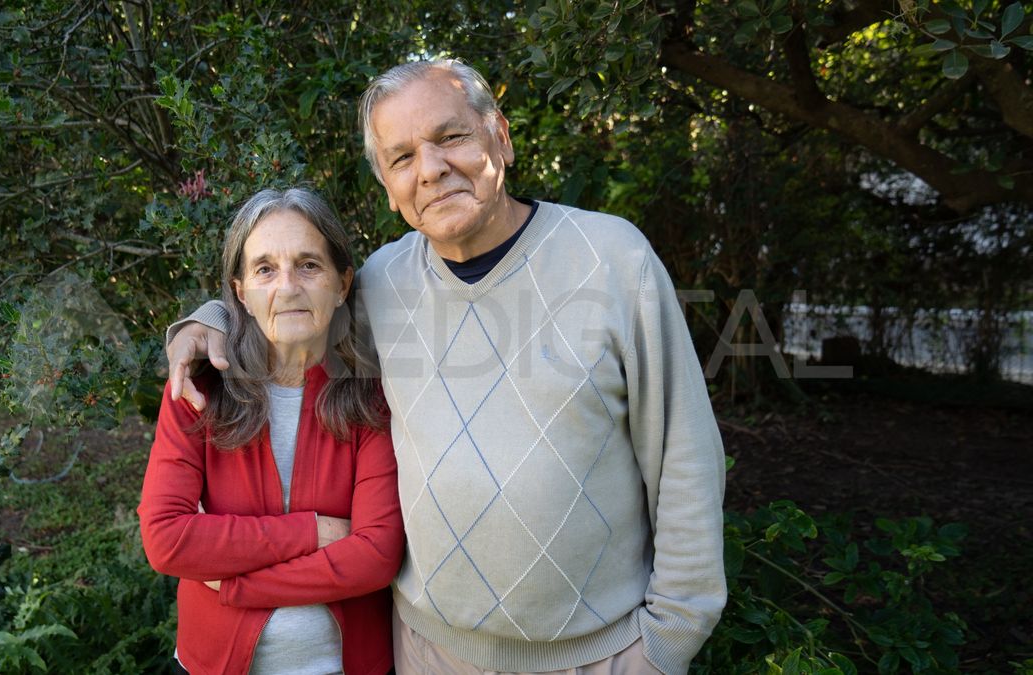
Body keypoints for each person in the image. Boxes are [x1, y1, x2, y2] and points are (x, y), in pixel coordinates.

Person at [166, 60, 726, 675]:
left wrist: (669, 641)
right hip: (428, 652)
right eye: (402, 157)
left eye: (451, 137)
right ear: (387, 186)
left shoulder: (613, 260)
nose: (431, 169)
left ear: (501, 137)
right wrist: (208, 319)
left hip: (601, 656)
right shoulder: (381, 285)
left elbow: (686, 459)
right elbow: (288, 304)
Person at [139, 187, 404, 675]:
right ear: (241, 292)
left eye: (309, 265)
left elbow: (376, 556)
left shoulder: (372, 395)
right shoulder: (198, 389)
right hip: (212, 664)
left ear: (342, 283)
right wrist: (313, 531)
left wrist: (237, 585)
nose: (287, 287)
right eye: (265, 269)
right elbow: (167, 539)